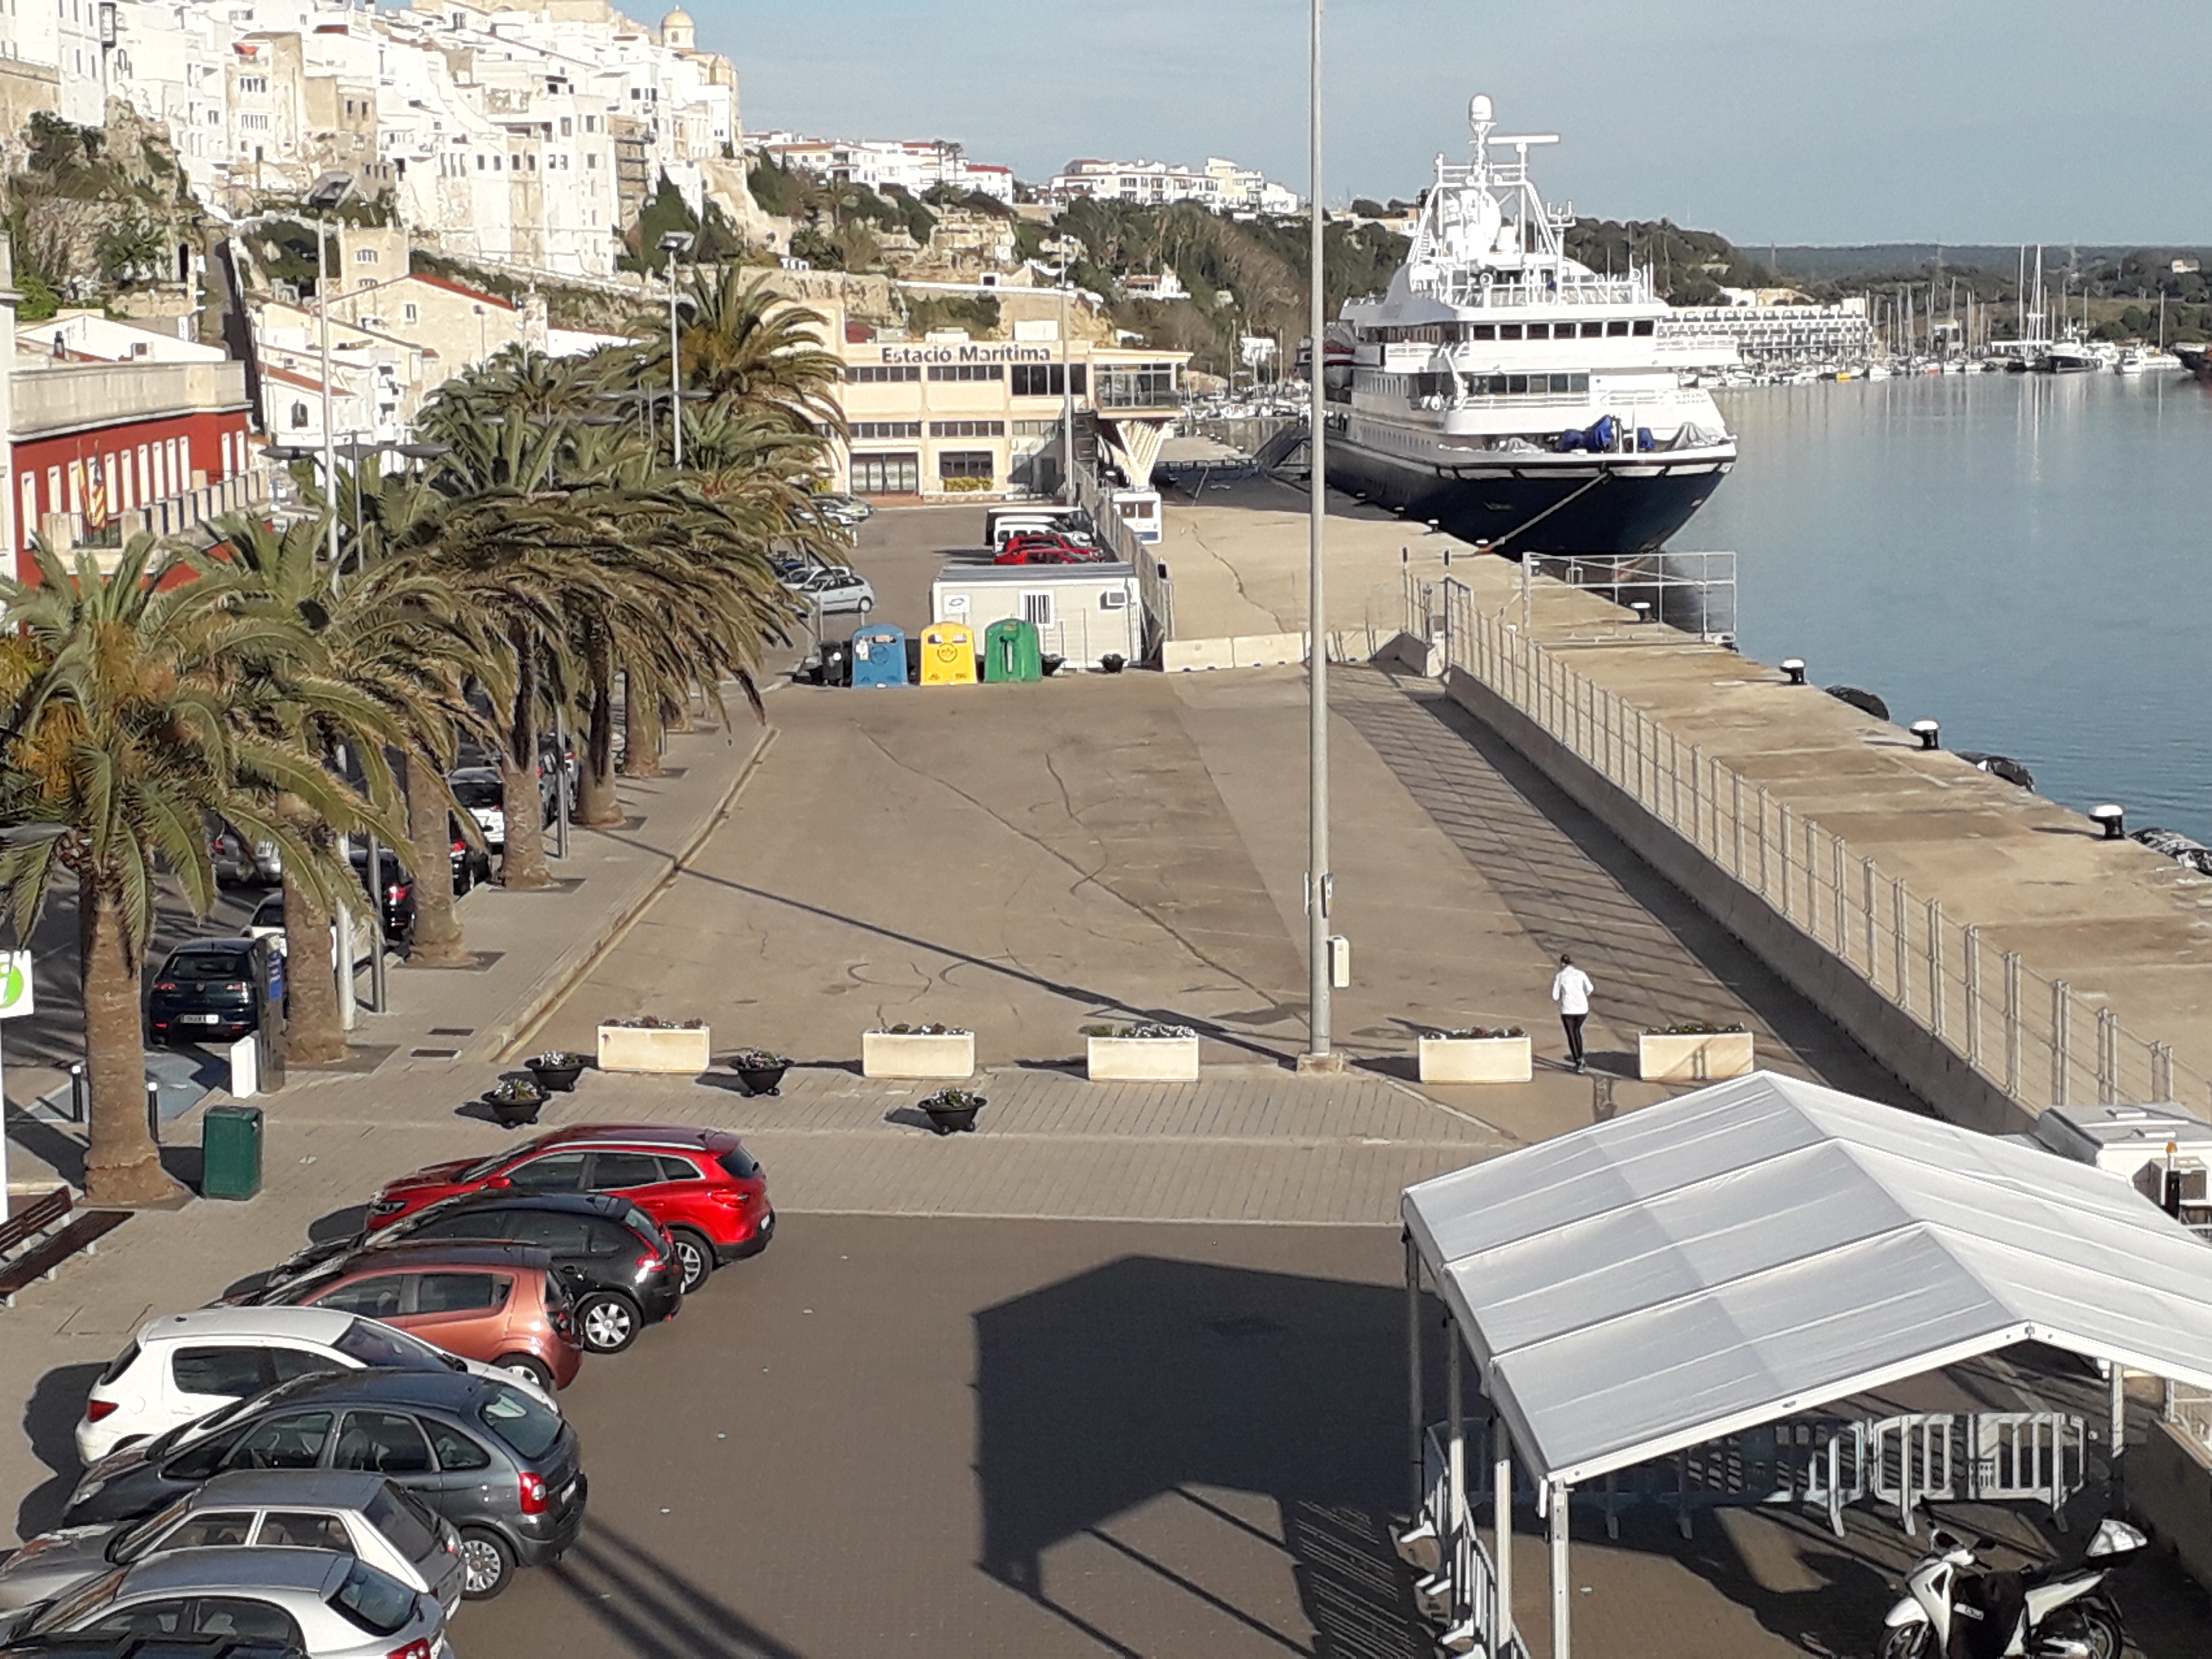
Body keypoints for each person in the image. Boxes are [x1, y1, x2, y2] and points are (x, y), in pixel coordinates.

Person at [1550, 953, 1594, 1073]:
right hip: (1582, 1009)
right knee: (1577, 1031)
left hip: (1568, 1010)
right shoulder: (1581, 974)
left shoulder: (1560, 976)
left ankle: (1579, 1061)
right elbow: (1590, 989)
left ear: (1562, 963)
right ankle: (1581, 1058)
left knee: (1571, 1035)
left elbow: (1555, 996)